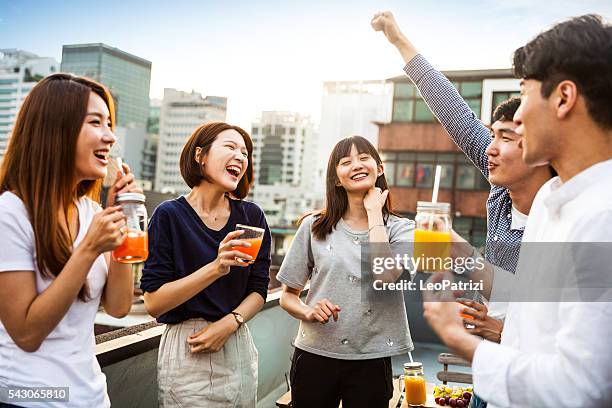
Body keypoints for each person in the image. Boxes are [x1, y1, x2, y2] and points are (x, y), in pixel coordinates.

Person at [421, 14, 612, 407]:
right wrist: (456, 249)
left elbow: (581, 388)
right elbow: (532, 300)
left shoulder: (602, 217)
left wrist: (455, 336)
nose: (519, 117)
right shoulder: (550, 201)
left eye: (524, 94)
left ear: (563, 98)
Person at [0, 73, 140, 407]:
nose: (110, 137)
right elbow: (27, 334)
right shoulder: (10, 213)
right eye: (96, 122)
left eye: (109, 123)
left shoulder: (92, 212)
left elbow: (120, 307)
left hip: (91, 396)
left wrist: (119, 219)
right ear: (56, 130)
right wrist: (89, 248)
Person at [140, 121, 271, 408]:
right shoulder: (169, 215)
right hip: (190, 348)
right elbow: (153, 302)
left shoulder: (251, 217)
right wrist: (215, 267)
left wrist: (230, 323)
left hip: (237, 342)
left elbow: (259, 289)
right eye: (230, 147)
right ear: (200, 156)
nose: (241, 157)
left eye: (245, 153)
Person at [277, 136, 414, 408]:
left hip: (372, 358)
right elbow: (287, 296)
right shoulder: (314, 227)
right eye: (346, 161)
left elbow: (387, 277)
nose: (356, 165)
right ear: (337, 179)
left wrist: (375, 213)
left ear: (380, 168)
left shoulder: (402, 229)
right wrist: (309, 311)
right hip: (314, 355)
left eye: (364, 158)